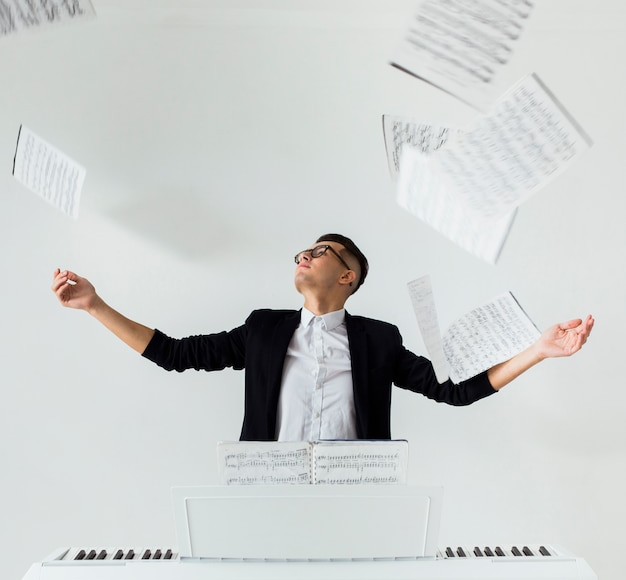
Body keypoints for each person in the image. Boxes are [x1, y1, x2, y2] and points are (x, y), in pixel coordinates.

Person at [51, 233, 594, 441]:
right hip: (265, 492)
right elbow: (173, 354)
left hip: (357, 497)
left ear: (347, 276)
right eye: (302, 252)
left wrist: (540, 350)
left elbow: (454, 390)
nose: (305, 255)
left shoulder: (379, 340)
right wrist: (94, 305)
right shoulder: (262, 328)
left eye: (322, 251)